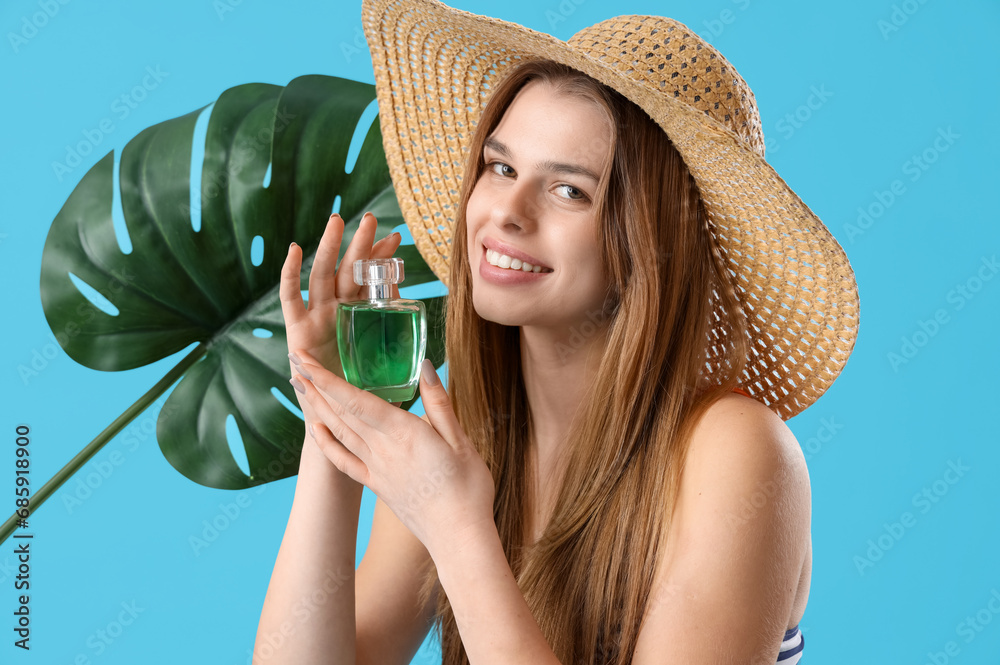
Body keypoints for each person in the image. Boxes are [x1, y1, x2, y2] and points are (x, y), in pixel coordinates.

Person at [254, 0, 859, 663]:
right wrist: (330, 421)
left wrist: (458, 526)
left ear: (653, 241)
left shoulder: (736, 451)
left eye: (570, 190)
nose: (506, 213)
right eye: (500, 167)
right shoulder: (470, 431)